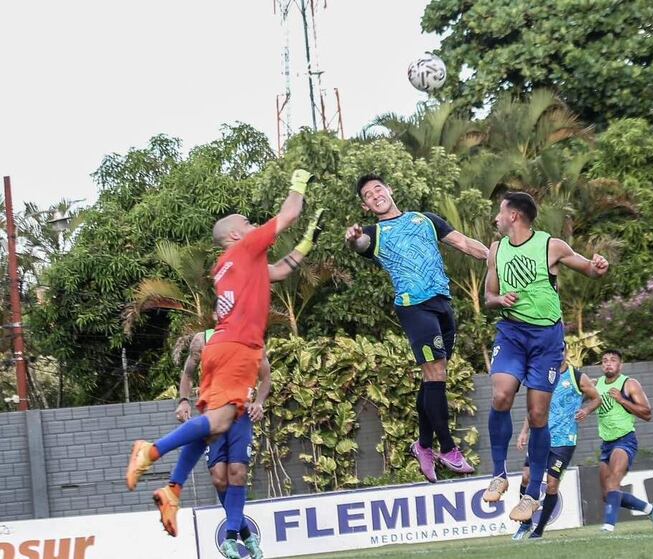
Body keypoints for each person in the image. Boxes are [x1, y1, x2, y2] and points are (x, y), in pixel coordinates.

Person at [125, 169, 315, 558]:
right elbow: (288, 215)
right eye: (247, 224)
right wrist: (299, 182)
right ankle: (152, 452)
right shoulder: (244, 249)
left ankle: (173, 488)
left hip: (224, 348)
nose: (252, 225)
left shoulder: (231, 264)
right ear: (234, 235)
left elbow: (278, 271)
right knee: (221, 422)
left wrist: (309, 242)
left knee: (213, 430)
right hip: (238, 346)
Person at [344, 174, 489, 482]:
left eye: (378, 189)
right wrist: (353, 237)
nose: (375, 195)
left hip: (443, 305)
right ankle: (448, 449)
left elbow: (463, 243)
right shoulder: (374, 232)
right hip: (414, 306)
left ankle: (423, 445)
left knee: (433, 378)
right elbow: (361, 244)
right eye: (369, 195)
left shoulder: (426, 219)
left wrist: (495, 257)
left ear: (390, 190)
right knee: (435, 374)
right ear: (366, 206)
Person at [481, 191, 609, 522]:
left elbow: (588, 269)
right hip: (511, 334)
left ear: (514, 216)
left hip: (546, 340)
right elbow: (488, 296)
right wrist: (500, 300)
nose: (496, 217)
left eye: (500, 211)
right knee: (501, 394)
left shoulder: (551, 246)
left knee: (538, 415)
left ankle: (531, 495)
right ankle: (498, 474)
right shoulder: (496, 250)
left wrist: (598, 267)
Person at [509, 359, 600, 540]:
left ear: (565, 352)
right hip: (539, 437)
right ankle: (525, 522)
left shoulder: (577, 377)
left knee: (551, 484)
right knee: (526, 476)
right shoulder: (543, 375)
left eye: (562, 349)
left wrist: (586, 411)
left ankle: (539, 530)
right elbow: (535, 409)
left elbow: (597, 398)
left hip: (564, 441)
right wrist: (524, 432)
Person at [596, 348, 653, 532]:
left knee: (613, 482)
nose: (608, 363)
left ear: (620, 364)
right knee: (607, 494)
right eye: (604, 360)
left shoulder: (629, 384)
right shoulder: (597, 385)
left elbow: (647, 413)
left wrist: (622, 400)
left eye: (612, 360)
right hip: (606, 444)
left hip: (625, 440)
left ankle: (608, 526)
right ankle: (651, 509)